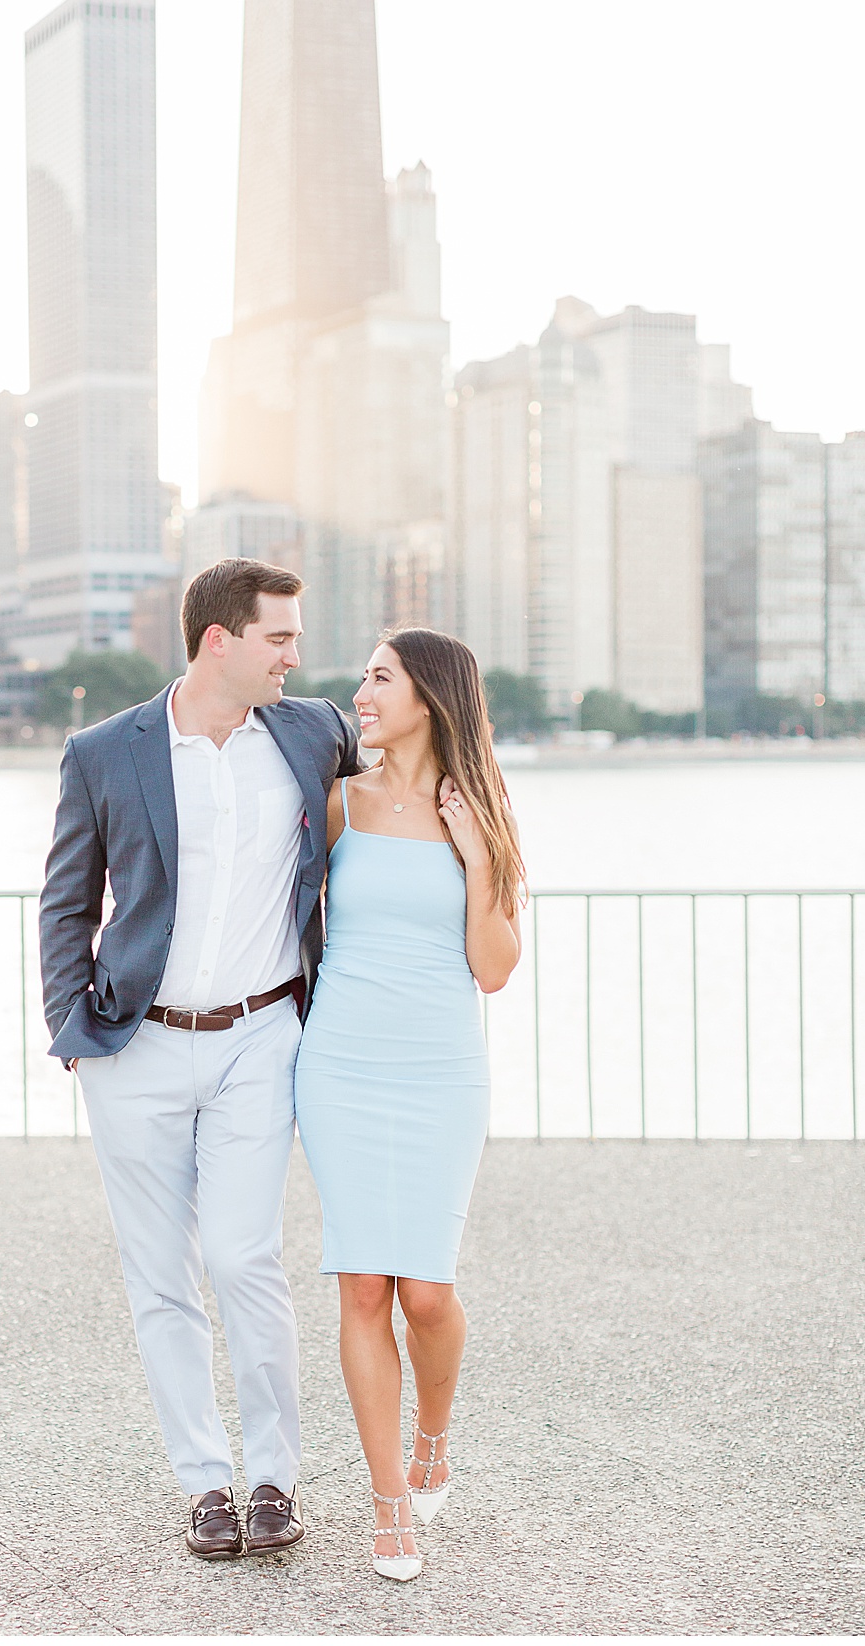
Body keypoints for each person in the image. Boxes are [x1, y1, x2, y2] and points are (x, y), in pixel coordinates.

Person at [38, 558, 362, 1561]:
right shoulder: (105, 750)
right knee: (161, 1275)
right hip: (133, 1045)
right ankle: (206, 1483)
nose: (295, 655)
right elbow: (67, 899)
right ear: (219, 640)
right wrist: (71, 1027)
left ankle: (274, 1478)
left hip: (262, 1037)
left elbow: (405, 781)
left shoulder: (313, 732)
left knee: (241, 1254)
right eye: (279, 637)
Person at [294, 628, 524, 1581]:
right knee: (362, 1286)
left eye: (380, 677)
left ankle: (434, 1434)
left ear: (428, 695)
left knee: (425, 1293)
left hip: (440, 1072)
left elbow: (494, 970)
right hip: (341, 1067)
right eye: (364, 676)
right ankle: (389, 1501)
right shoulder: (338, 801)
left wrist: (478, 861)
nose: (362, 691)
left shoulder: (481, 809)